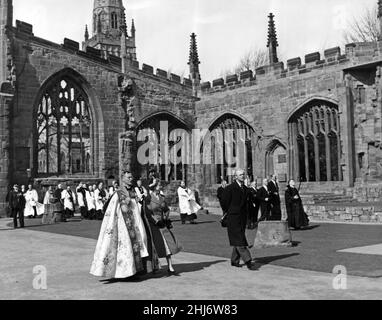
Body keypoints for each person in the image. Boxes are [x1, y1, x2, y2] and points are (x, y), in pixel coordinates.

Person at [90, 171, 160, 279]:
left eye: (131, 177)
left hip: (136, 223)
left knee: (141, 242)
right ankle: (126, 273)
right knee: (126, 247)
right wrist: (124, 203)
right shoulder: (118, 193)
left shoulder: (134, 191)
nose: (131, 179)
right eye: (128, 177)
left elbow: (139, 205)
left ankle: (137, 270)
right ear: (122, 179)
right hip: (123, 225)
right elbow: (111, 210)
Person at [221, 169, 257, 270]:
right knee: (240, 240)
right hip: (233, 217)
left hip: (242, 217)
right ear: (235, 177)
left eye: (243, 174)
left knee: (238, 238)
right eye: (240, 175)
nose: (242, 176)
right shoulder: (230, 188)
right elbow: (224, 202)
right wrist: (230, 211)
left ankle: (234, 260)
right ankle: (248, 261)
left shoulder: (245, 188)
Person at [145, 184, 181, 275]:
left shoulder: (162, 198)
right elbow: (148, 212)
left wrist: (165, 217)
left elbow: (166, 209)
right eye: (157, 186)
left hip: (162, 223)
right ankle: (153, 266)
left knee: (167, 243)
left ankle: (170, 267)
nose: (160, 187)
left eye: (159, 186)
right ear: (153, 187)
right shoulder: (148, 198)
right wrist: (156, 221)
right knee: (154, 245)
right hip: (153, 224)